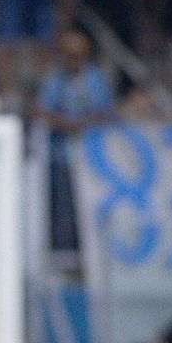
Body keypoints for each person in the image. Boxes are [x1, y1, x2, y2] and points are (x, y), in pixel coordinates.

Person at [36, 30, 117, 251]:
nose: (73, 60)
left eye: (78, 55)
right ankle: (66, 250)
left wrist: (84, 124)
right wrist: (66, 123)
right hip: (62, 156)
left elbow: (108, 111)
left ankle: (95, 251)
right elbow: (42, 109)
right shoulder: (55, 78)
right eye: (68, 55)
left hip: (94, 158)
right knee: (64, 206)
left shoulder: (95, 78)